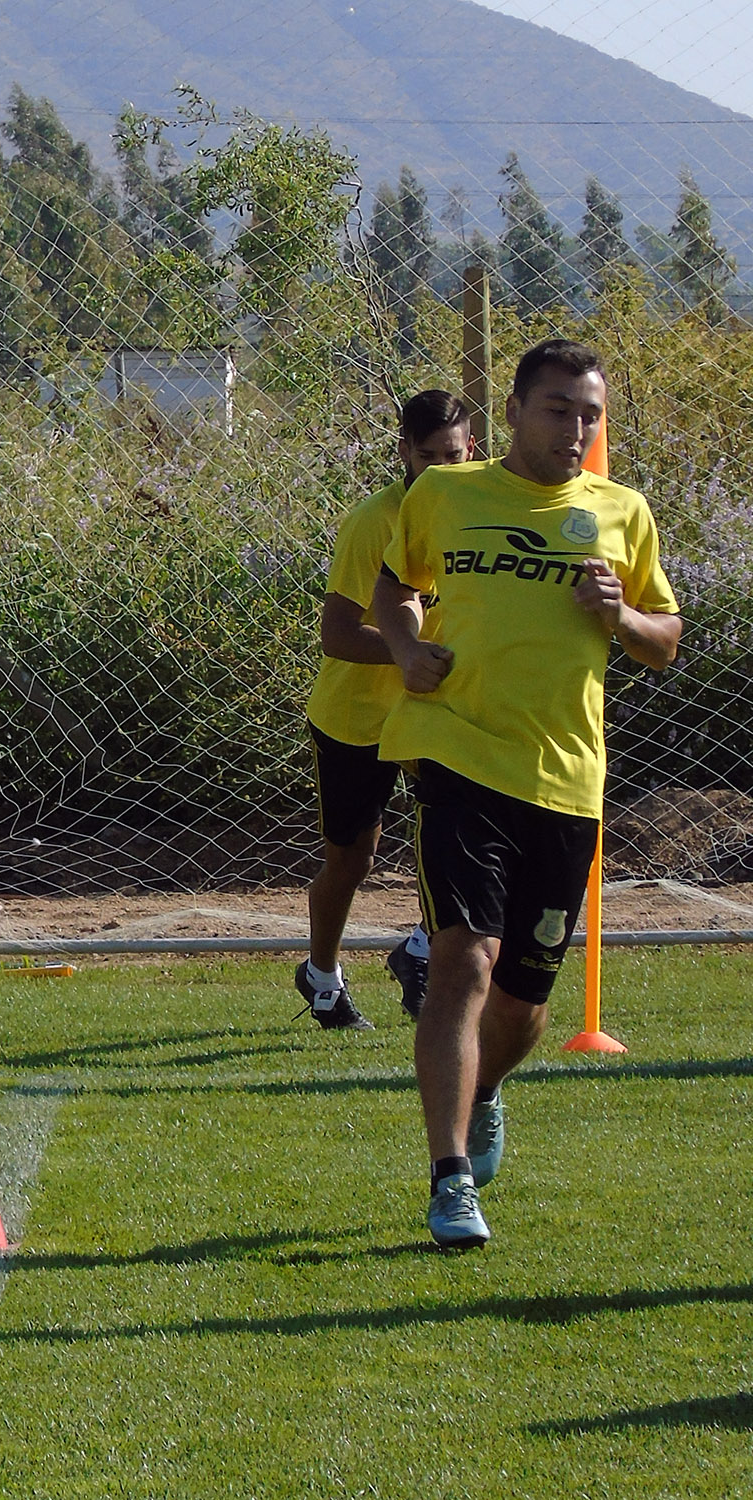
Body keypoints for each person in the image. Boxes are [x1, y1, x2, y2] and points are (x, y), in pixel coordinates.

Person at [374, 339, 680, 1249]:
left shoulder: (622, 512)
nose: (575, 429)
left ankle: (485, 1091)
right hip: (457, 755)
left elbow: (664, 641)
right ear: (511, 412)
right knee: (463, 960)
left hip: (566, 779)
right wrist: (405, 647)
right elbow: (395, 588)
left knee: (522, 1004)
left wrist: (620, 615)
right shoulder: (445, 494)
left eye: (590, 414)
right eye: (557, 410)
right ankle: (450, 1179)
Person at [297, 390, 470, 1030]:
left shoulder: (480, 514)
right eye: (427, 457)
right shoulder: (376, 521)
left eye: (453, 456)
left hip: (437, 712)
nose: (441, 470)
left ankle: (420, 952)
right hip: (358, 717)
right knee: (353, 858)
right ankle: (321, 976)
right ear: (403, 452)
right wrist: (407, 653)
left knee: (464, 843)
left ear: (473, 450)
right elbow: (336, 634)